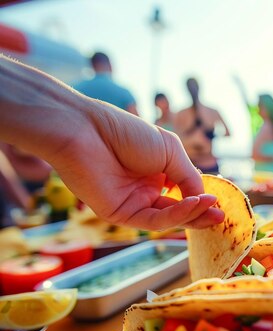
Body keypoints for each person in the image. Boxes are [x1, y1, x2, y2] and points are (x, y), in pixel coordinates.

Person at [0, 55, 224, 231]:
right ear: (109, 65)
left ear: (93, 65)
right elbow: (137, 122)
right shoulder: (124, 91)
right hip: (127, 182)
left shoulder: (77, 85)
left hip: (81, 183)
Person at [174, 77, 230, 174]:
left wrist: (210, 136)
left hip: (207, 163)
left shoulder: (212, 111)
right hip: (191, 163)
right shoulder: (181, 114)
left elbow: (228, 133)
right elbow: (176, 138)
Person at [73, 52, 139, 115]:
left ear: (92, 66)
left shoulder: (75, 89)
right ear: (110, 65)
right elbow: (137, 124)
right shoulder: (124, 93)